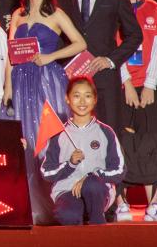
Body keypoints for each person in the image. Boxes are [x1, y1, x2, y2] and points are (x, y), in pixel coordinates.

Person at [6, 0, 88, 225]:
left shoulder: (56, 14)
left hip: (47, 81)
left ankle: (60, 202)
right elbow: (10, 54)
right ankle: (31, 205)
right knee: (26, 140)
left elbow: (80, 43)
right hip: (21, 82)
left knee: (49, 139)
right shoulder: (17, 15)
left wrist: (51, 56)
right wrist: (8, 87)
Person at [56, 0, 143, 132]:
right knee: (72, 136)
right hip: (71, 78)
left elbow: (135, 35)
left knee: (108, 134)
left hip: (105, 78)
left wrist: (111, 60)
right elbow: (58, 38)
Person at [108, 0, 157, 221]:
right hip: (120, 86)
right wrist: (127, 83)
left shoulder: (153, 8)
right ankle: (120, 202)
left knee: (151, 140)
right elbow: (110, 48)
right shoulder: (110, 9)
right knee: (120, 141)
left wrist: (150, 84)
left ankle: (153, 203)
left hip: (149, 85)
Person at [40, 77, 124, 225]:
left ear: (95, 99)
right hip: (68, 191)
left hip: (98, 190)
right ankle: (79, 216)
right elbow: (46, 172)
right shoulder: (59, 134)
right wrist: (70, 164)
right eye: (77, 96)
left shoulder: (105, 132)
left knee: (92, 184)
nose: (82, 101)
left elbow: (120, 170)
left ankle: (97, 222)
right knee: (67, 216)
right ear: (67, 99)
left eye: (88, 96)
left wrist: (93, 176)